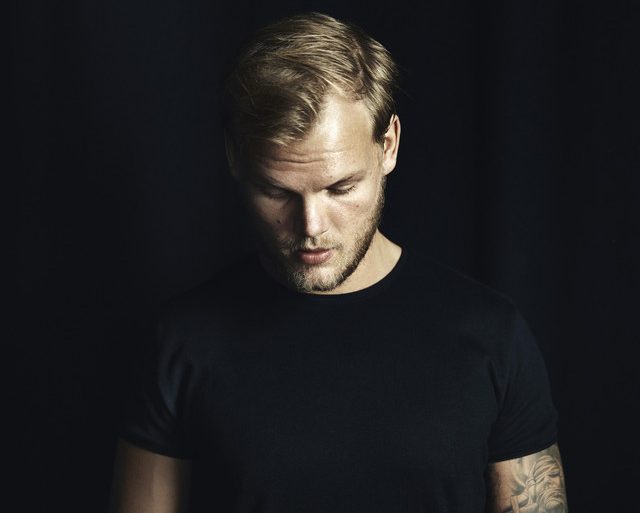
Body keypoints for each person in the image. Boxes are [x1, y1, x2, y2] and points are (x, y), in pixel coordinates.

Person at [109, 12, 568, 513]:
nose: (311, 225)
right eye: (276, 191)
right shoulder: (185, 340)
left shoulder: (492, 335)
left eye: (340, 187)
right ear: (235, 158)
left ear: (388, 146)